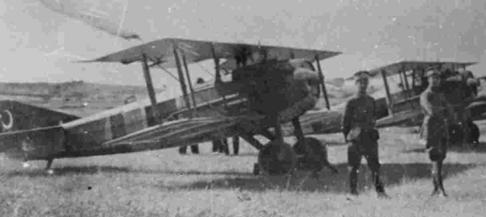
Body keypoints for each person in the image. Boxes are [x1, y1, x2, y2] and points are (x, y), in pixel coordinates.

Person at [341, 70, 388, 197]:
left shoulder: (371, 100)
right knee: (353, 167)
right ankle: (353, 192)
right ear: (355, 84)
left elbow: (373, 119)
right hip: (356, 139)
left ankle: (380, 192)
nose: (363, 84)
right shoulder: (351, 102)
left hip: (370, 138)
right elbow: (345, 123)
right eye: (360, 82)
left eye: (365, 82)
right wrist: (349, 137)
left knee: (375, 166)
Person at [419, 69, 455, 197]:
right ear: (428, 79)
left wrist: (445, 111)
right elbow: (431, 111)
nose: (435, 80)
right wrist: (444, 110)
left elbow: (451, 112)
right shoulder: (425, 95)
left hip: (442, 128)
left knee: (441, 159)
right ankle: (440, 190)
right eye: (432, 78)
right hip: (431, 129)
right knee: (435, 158)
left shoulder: (440, 95)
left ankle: (436, 189)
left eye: (437, 78)